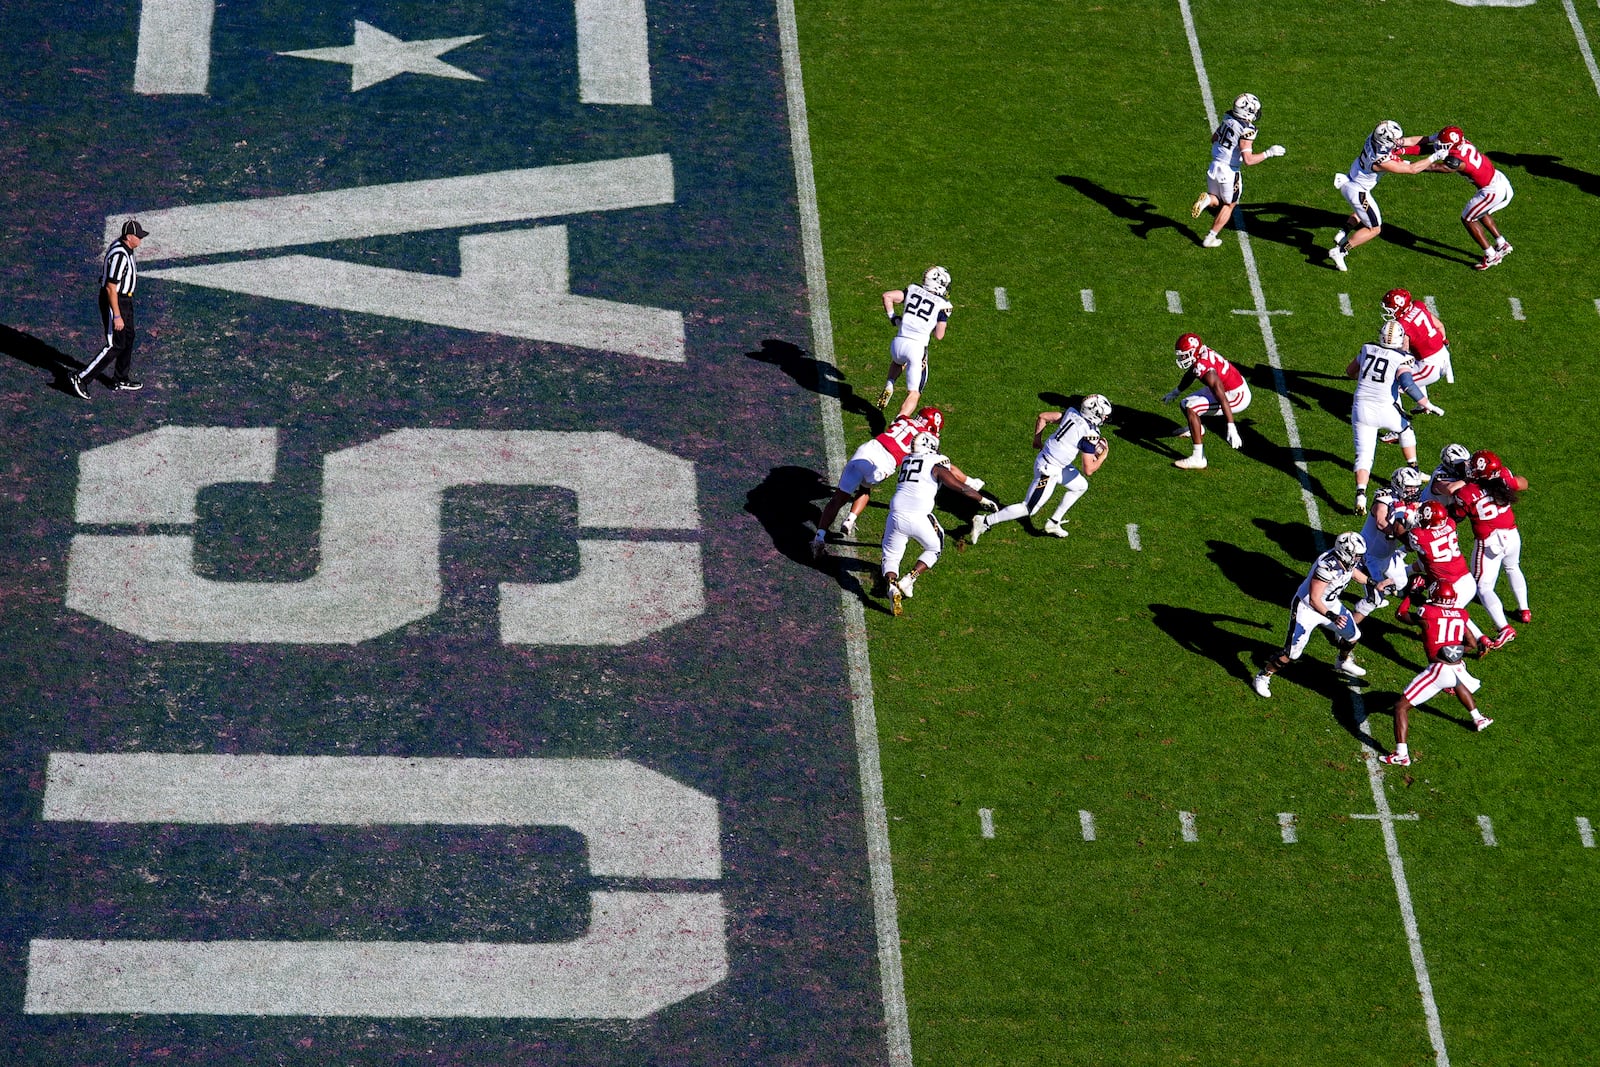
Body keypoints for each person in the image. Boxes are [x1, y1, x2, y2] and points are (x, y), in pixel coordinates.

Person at [1251, 531, 1392, 697]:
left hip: (1330, 605)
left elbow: (1353, 573)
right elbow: (1314, 599)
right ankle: (1263, 676)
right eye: (1356, 556)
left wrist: (1374, 583)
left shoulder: (1347, 561)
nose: (1358, 559)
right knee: (1292, 653)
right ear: (1345, 552)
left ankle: (1342, 661)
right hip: (1307, 609)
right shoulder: (1326, 567)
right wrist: (1333, 617)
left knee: (1353, 636)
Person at [970, 394, 1111, 543]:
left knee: (1081, 486)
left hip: (1052, 461)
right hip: (1049, 469)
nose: (1105, 418)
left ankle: (1053, 522)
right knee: (1028, 508)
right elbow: (1088, 469)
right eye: (1103, 415)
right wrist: (1103, 456)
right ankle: (984, 521)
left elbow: (1043, 417)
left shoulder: (1072, 413)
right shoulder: (1090, 434)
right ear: (1094, 414)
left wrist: (1037, 440)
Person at [881, 430, 994, 615]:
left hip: (895, 514)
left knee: (891, 556)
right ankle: (910, 578)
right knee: (935, 547)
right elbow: (960, 487)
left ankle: (892, 586)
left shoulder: (907, 460)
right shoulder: (935, 463)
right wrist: (982, 499)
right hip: (918, 515)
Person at [812, 407, 948, 557]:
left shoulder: (905, 419)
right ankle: (850, 520)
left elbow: (899, 420)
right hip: (884, 463)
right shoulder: (928, 438)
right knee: (865, 488)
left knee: (838, 497)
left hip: (868, 449)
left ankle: (819, 537)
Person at [1382, 584, 1493, 767]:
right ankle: (1478, 718)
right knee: (1457, 683)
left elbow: (1401, 614)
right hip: (1457, 666)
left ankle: (1401, 754)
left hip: (1439, 668)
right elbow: (1472, 643)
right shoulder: (1460, 613)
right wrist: (1456, 651)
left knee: (1400, 706)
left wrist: (1410, 594)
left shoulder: (1428, 612)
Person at [1347, 319, 1442, 516]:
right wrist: (1427, 404)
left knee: (1364, 455)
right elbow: (1407, 384)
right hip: (1385, 408)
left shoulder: (1367, 348)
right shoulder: (1402, 358)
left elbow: (1350, 372)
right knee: (1405, 430)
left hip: (1361, 408)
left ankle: (1361, 494)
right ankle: (1414, 469)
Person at [1329, 121, 1450, 271]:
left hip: (1352, 178)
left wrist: (1432, 138)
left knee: (1363, 212)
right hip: (1358, 191)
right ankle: (1340, 251)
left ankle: (1343, 232)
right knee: (1375, 229)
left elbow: (1408, 141)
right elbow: (1411, 169)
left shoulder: (1374, 137)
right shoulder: (1380, 160)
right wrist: (1435, 156)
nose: (1396, 142)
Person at [1189, 93, 1285, 249]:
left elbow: (1214, 138)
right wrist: (1269, 153)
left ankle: (1207, 199)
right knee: (1229, 205)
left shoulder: (1228, 117)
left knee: (1217, 200)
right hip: (1229, 171)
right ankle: (1210, 237)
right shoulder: (1248, 129)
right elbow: (1248, 160)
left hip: (1214, 166)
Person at [1455, 448, 1531, 643]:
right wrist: (1509, 478)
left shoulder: (1467, 492)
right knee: (1513, 567)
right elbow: (1523, 483)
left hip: (1489, 542)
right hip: (1512, 535)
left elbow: (1457, 515)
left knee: (1483, 587)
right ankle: (1524, 610)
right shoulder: (1504, 477)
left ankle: (1504, 627)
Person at [68, 219, 149, 398]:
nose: (141, 240)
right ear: (129, 237)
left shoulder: (125, 248)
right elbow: (111, 287)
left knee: (128, 337)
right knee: (116, 343)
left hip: (125, 300)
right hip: (115, 301)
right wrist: (117, 315)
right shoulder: (120, 254)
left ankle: (120, 377)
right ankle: (81, 377)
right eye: (138, 236)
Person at [1425, 126, 1514, 271]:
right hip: (1496, 177)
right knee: (1480, 212)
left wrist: (1411, 166)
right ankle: (1501, 243)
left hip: (1490, 190)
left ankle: (1491, 255)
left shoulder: (1457, 161)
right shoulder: (1465, 144)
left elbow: (1436, 167)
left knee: (1467, 218)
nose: (1440, 145)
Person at [1351, 466, 1425, 628]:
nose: (1413, 491)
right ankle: (1347, 625)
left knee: (1400, 584)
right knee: (1376, 596)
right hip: (1369, 553)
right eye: (1410, 487)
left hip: (1388, 555)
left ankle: (1404, 562)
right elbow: (1380, 520)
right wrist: (1395, 533)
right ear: (1399, 485)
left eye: (1416, 487)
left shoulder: (1411, 502)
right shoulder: (1384, 497)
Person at [1162, 333, 1249, 469]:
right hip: (1225, 386)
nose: (1181, 358)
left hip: (1236, 394)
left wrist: (1231, 426)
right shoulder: (1199, 357)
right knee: (1185, 404)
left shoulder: (1207, 371)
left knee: (1192, 408)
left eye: (1185, 354)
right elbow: (1191, 373)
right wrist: (1176, 392)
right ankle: (1197, 429)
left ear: (1194, 352)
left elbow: (1222, 397)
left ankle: (1198, 458)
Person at [876, 266, 953, 419]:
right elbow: (939, 335)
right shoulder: (944, 305)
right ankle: (897, 424)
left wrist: (893, 318)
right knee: (914, 392)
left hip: (898, 344)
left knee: (898, 362)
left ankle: (890, 384)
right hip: (916, 349)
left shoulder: (912, 289)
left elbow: (887, 296)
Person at [1400, 499, 1479, 626]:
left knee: (1446, 619)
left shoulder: (1420, 536)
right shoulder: (1450, 523)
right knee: (1455, 616)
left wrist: (1405, 511)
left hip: (1450, 587)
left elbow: (1411, 527)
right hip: (1466, 578)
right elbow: (1425, 562)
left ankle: (1481, 639)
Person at [1380, 287, 1453, 398]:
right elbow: (1440, 325)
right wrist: (1442, 342)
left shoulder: (1403, 324)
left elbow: (1402, 353)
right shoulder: (1418, 305)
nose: (1389, 311)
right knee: (1410, 368)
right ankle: (1423, 407)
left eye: (1391, 308)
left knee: (1394, 383)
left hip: (1429, 366)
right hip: (1443, 354)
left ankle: (1397, 410)